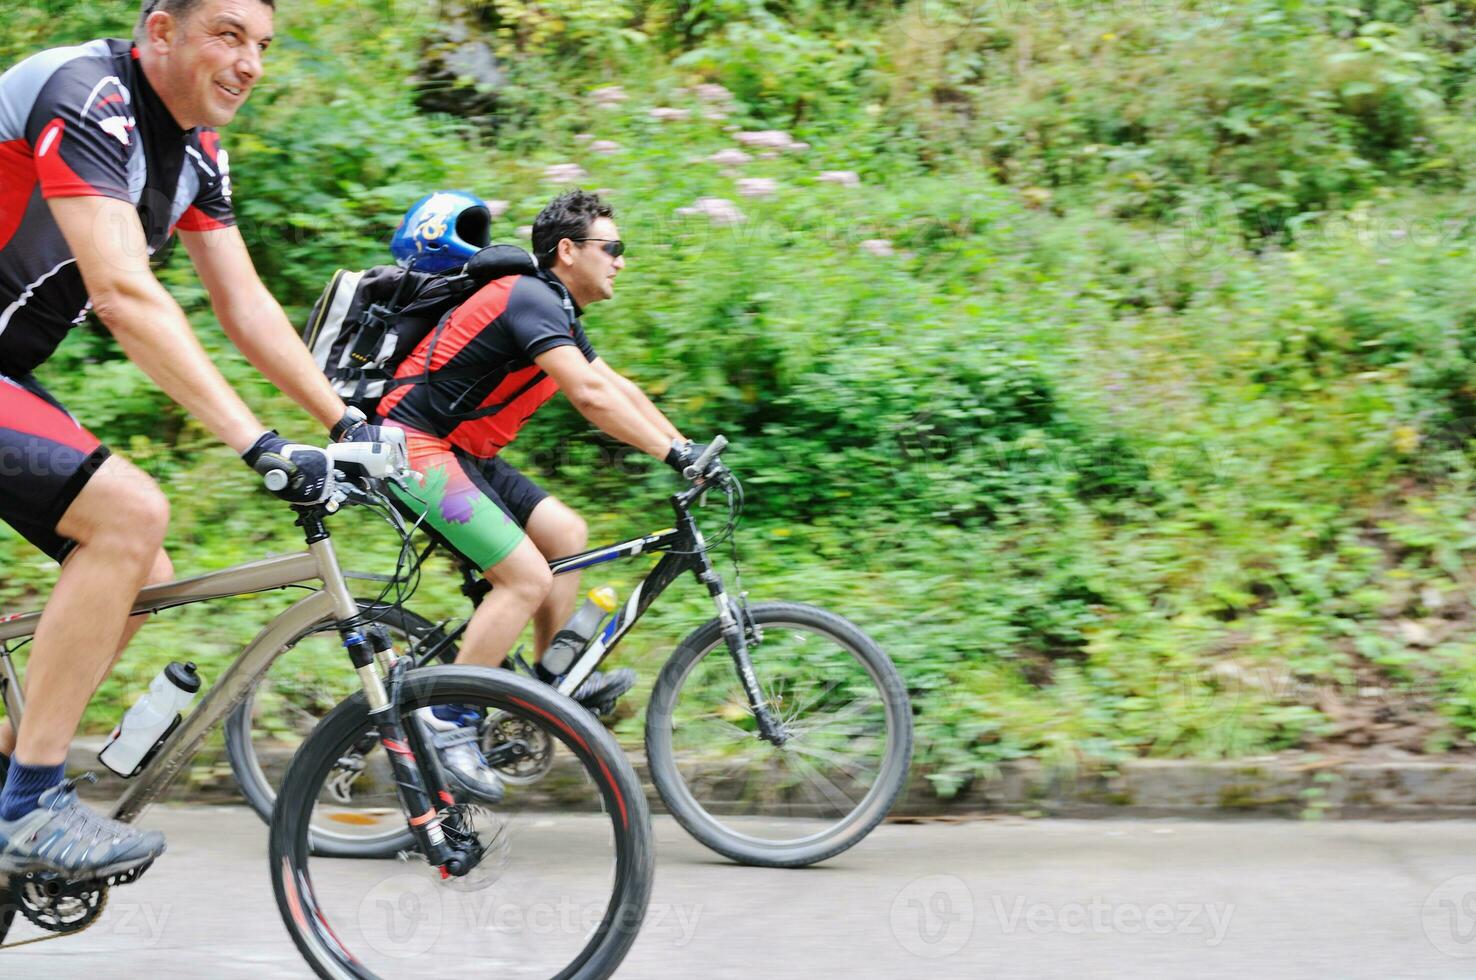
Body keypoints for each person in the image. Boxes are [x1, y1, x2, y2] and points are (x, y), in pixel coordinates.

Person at [0, 0, 389, 878]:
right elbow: (124, 293)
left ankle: (7, 777)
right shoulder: (89, 95)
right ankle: (30, 805)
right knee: (131, 515)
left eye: (262, 44)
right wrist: (259, 444)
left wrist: (343, 420)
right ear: (161, 30)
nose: (250, 62)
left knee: (143, 571)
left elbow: (243, 304)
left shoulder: (197, 150)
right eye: (227, 33)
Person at [377, 190, 707, 800]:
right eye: (612, 248)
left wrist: (688, 450)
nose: (620, 261)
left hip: (460, 451)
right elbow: (588, 397)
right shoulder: (528, 297)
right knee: (524, 579)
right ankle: (446, 721)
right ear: (567, 251)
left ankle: (556, 673)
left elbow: (616, 386)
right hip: (413, 447)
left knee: (566, 535)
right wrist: (671, 455)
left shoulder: (553, 308)